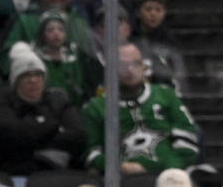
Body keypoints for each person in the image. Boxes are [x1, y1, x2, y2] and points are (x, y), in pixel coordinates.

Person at [84, 44, 200, 176]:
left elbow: (188, 142)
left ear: (144, 67)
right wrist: (118, 166)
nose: (130, 70)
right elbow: (92, 153)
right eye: (122, 64)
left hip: (171, 179)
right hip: (119, 181)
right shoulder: (96, 107)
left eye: (135, 63)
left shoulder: (166, 95)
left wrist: (170, 170)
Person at [0, 45, 83, 178]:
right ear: (16, 81)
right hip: (17, 173)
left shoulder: (58, 101)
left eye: (38, 74)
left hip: (59, 173)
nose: (33, 80)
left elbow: (78, 137)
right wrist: (53, 128)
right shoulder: (4, 103)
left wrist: (28, 143)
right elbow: (5, 138)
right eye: (26, 76)